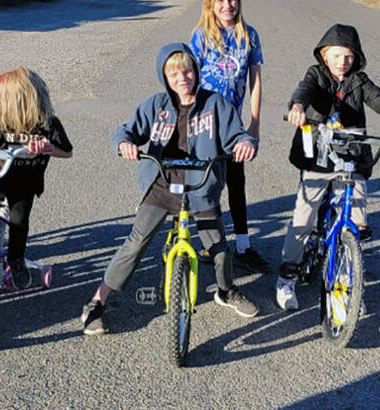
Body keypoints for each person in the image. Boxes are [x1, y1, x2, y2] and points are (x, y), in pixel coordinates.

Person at [80, 43, 258, 335]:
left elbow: (237, 134)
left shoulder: (216, 104)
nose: (182, 78)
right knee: (136, 242)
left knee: (218, 247)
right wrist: (124, 144)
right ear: (165, 76)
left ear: (196, 71)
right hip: (163, 181)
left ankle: (226, 290)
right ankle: (97, 301)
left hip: (201, 184)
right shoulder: (156, 105)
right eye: (173, 73)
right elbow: (125, 131)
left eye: (187, 70)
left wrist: (245, 142)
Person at [277, 23, 380, 311]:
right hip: (318, 155)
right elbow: (304, 91)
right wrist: (297, 107)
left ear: (356, 57)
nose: (342, 62)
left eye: (348, 57)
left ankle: (345, 280)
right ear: (324, 54)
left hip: (352, 156)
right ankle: (287, 277)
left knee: (357, 219)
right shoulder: (316, 75)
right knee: (304, 218)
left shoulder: (360, 81)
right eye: (336, 56)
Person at [0, 67, 72, 290]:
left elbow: (67, 151)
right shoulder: (5, 124)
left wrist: (47, 148)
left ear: (22, 100)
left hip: (25, 180)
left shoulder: (49, 124)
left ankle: (16, 260)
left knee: (19, 220)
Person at [188, 0, 267, 272]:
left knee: (236, 182)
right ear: (211, 4)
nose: (227, 6)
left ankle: (243, 245)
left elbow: (255, 82)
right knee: (209, 184)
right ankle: (212, 244)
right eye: (220, 0)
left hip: (233, 125)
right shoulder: (201, 36)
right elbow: (189, 80)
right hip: (205, 121)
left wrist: (255, 123)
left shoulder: (249, 36)